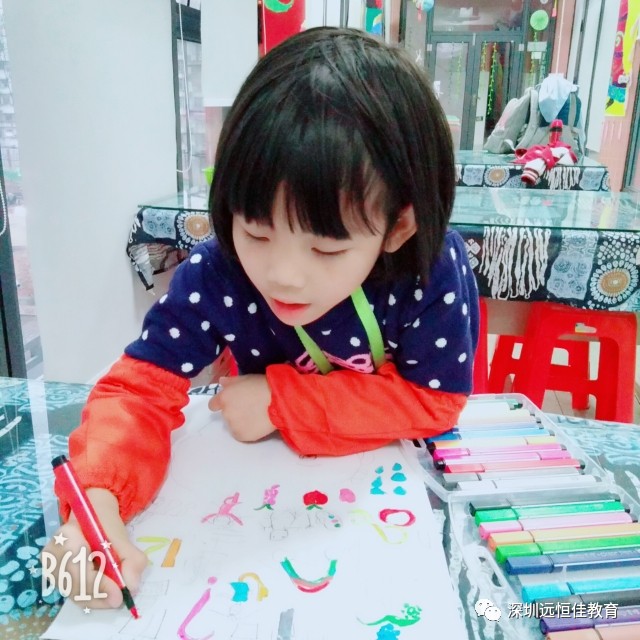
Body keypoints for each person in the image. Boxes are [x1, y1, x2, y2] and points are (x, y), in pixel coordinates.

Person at [44, 26, 479, 609]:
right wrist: (96, 501)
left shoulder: (427, 267)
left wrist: (281, 401)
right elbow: (139, 389)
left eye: (326, 249)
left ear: (397, 227)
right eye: (256, 232)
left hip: (391, 516)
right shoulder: (219, 271)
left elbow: (435, 401)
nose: (283, 275)